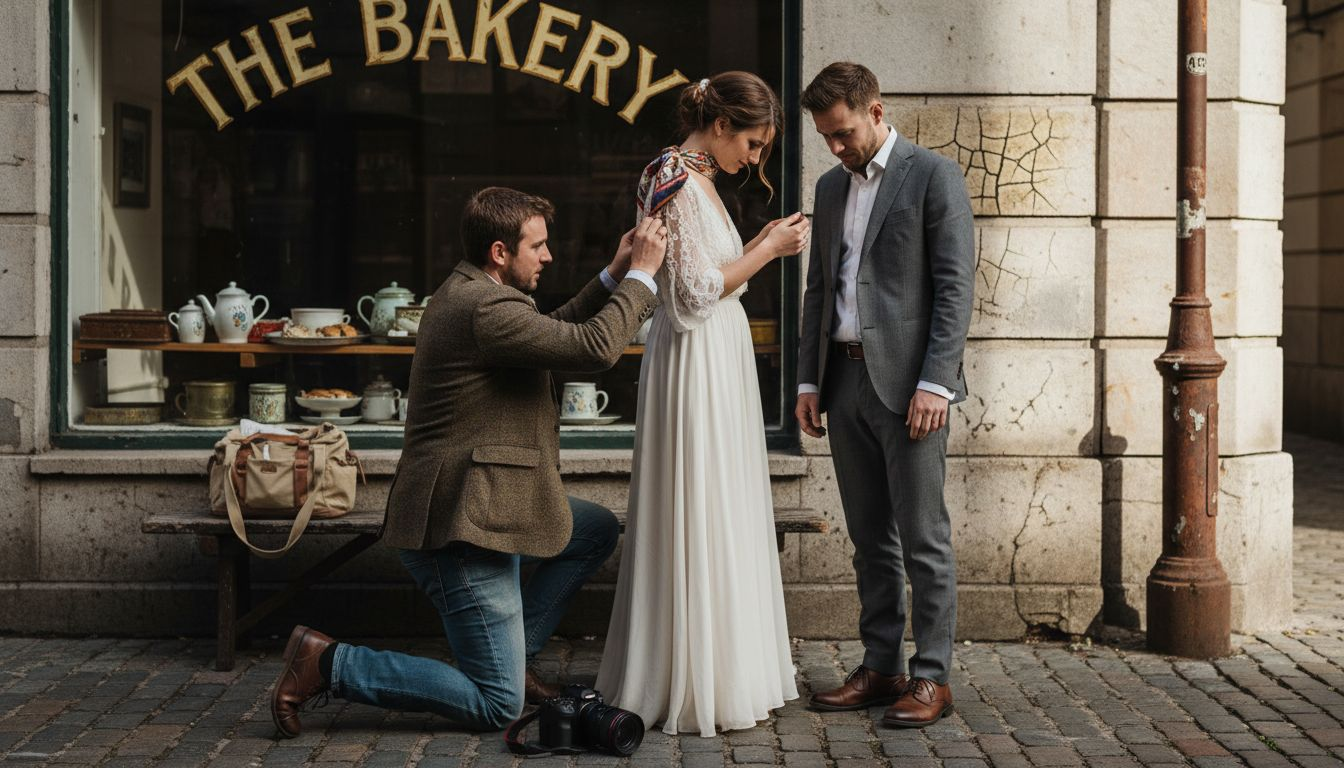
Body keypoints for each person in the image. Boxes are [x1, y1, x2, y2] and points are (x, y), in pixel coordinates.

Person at [269, 187, 667, 737]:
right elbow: (590, 348)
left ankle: (512, 657)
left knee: (592, 529)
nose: (548, 256)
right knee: (496, 706)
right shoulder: (484, 307)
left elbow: (556, 333)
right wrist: (643, 277)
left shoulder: (479, 292)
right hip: (460, 522)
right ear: (501, 252)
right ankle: (329, 663)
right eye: (539, 246)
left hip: (480, 500)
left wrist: (613, 273)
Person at [595, 72, 812, 736]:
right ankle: (693, 675)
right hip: (695, 358)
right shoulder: (677, 179)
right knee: (701, 500)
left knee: (720, 501)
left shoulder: (696, 179)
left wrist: (755, 245)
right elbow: (691, 294)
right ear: (719, 127)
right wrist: (768, 252)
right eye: (751, 143)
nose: (754, 159)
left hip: (713, 354)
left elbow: (707, 280)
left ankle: (723, 664)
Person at [795, 62, 974, 728]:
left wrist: (937, 382)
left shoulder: (933, 176)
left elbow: (955, 289)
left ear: (875, 110)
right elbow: (821, 288)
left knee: (924, 537)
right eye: (826, 138)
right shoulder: (829, 187)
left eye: (843, 133)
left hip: (910, 390)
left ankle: (932, 677)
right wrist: (809, 380)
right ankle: (881, 667)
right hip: (843, 384)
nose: (836, 148)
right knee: (870, 539)